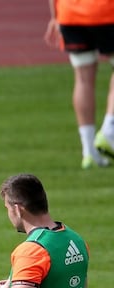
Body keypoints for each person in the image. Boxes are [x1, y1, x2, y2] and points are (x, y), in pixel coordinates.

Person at [44, 2, 114, 168]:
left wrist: (55, 16)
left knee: (83, 79)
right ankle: (109, 130)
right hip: (106, 11)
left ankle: (89, 151)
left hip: (70, 13)